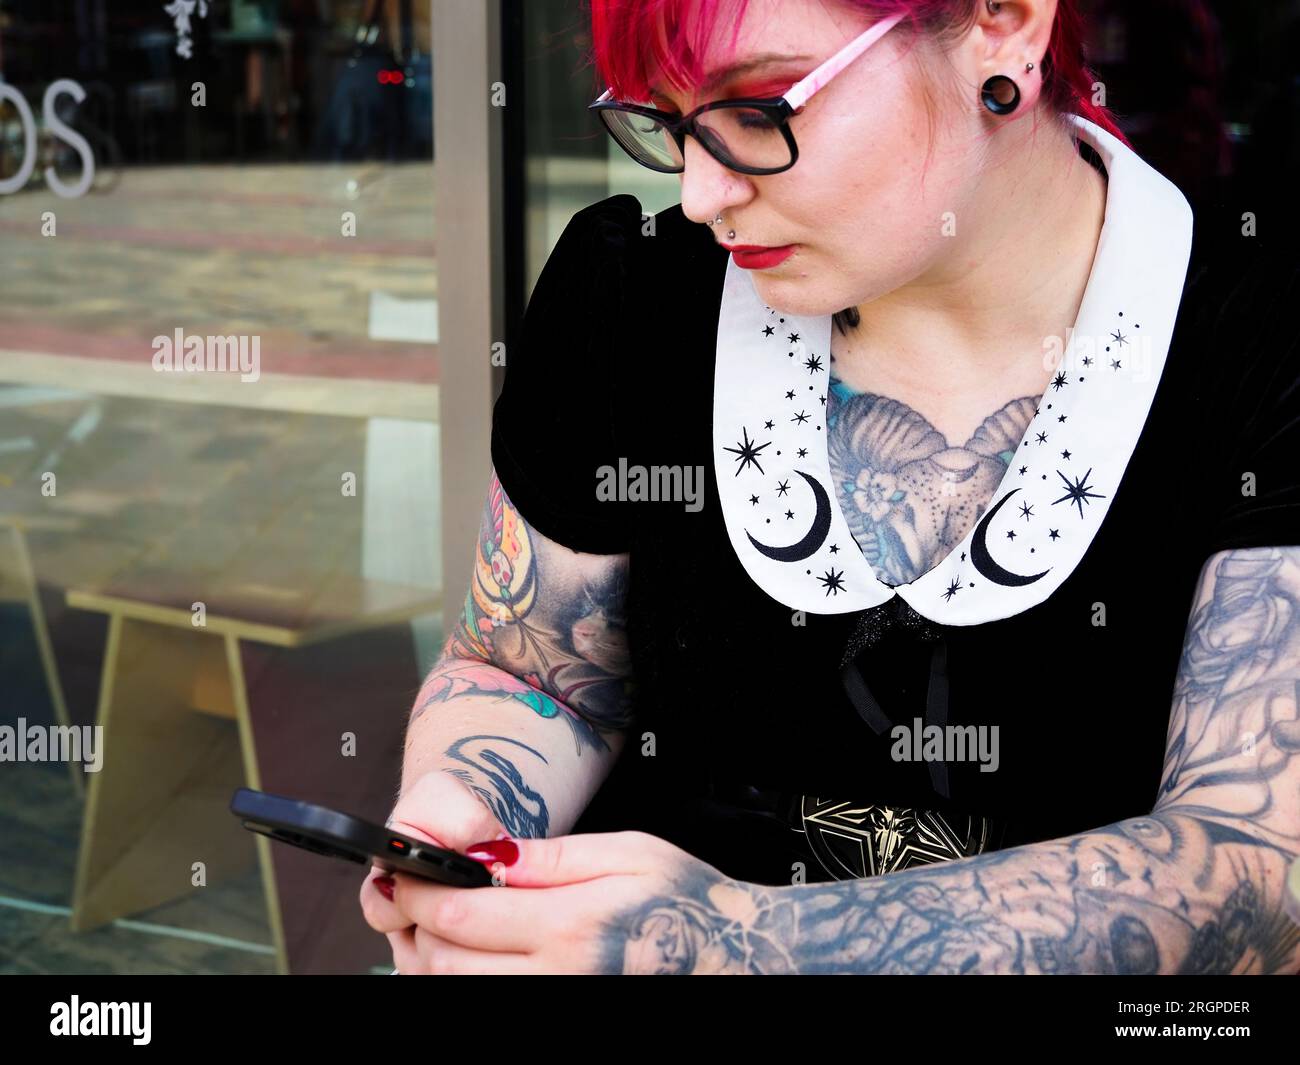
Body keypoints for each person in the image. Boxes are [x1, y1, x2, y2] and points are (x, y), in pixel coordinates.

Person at [360, 0, 1300, 973]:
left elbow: (1256, 867)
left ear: (1006, 23)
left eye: (760, 111)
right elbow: (527, 672)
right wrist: (461, 811)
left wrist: (741, 949)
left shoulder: (1261, 340)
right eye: (670, 123)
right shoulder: (634, 295)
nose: (700, 193)